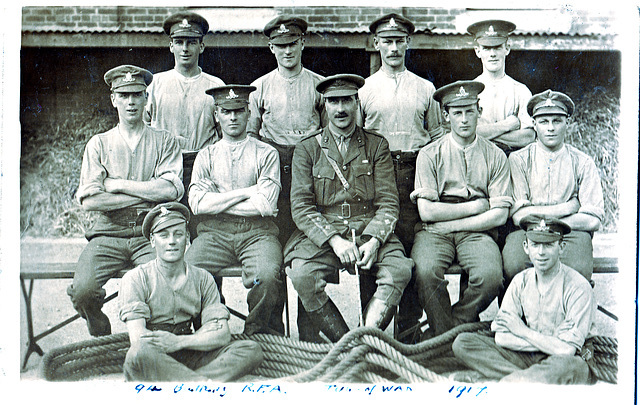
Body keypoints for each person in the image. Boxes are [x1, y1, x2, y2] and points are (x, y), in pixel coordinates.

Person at [284, 74, 413, 342]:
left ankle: (367, 335)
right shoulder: (308, 149)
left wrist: (376, 240)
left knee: (399, 270)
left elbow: (389, 202)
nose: (340, 108)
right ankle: (348, 342)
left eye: (346, 100)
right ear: (325, 105)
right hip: (325, 231)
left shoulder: (376, 145)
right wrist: (334, 241)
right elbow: (301, 206)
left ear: (357, 103)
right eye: (333, 101)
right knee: (302, 274)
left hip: (368, 227)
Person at [68, 65, 184, 337]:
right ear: (114, 100)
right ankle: (100, 329)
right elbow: (90, 200)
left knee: (167, 284)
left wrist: (119, 185)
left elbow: (170, 190)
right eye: (124, 95)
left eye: (137, 95)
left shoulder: (164, 140)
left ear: (147, 99)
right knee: (83, 291)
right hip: (108, 232)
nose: (131, 102)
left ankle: (158, 339)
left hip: (151, 231)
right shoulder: (99, 143)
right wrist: (146, 192)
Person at [358, 13, 444, 342]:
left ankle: (407, 334)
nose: (393, 48)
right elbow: (359, 137)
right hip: (377, 171)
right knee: (374, 246)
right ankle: (372, 334)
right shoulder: (364, 90)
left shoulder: (425, 88)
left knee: (408, 249)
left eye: (399, 41)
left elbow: (436, 138)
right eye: (386, 41)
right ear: (376, 44)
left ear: (407, 43)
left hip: (414, 170)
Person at [410, 80, 513, 338]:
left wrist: (454, 223)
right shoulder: (430, 154)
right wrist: (477, 206)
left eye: (470, 111)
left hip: (477, 231)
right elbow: (427, 212)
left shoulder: (495, 154)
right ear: (446, 116)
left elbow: (499, 214)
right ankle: (447, 336)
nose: (464, 119)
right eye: (457, 113)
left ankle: (452, 328)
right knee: (424, 271)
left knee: (490, 276)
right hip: (435, 231)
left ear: (479, 111)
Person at [247, 15, 326, 341]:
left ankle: (309, 334)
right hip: (274, 170)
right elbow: (251, 137)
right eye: (280, 45)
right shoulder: (260, 87)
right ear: (271, 48)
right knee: (273, 252)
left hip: (309, 169)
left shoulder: (319, 84)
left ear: (302, 43)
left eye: (292, 44)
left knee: (306, 250)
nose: (287, 50)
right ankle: (272, 333)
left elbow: (329, 136)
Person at [120, 202, 263, 382]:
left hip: (189, 349)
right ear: (152, 240)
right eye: (163, 235)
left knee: (251, 350)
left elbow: (222, 334)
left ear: (187, 237)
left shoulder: (203, 278)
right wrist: (198, 338)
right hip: (155, 356)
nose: (172, 241)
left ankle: (187, 385)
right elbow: (139, 339)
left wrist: (179, 342)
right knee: (138, 353)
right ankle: (201, 386)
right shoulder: (136, 278)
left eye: (178, 234)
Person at [185, 84, 286, 336]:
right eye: (226, 111)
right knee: (189, 270)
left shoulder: (266, 153)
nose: (232, 117)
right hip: (213, 233)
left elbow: (265, 205)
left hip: (257, 233)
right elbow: (197, 204)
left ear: (248, 112)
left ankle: (258, 335)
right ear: (216, 115)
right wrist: (247, 191)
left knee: (267, 275)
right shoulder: (206, 155)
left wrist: (217, 198)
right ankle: (213, 329)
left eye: (238, 111)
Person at [452, 215, 596, 384]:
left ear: (561, 247)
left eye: (549, 245)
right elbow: (501, 337)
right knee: (463, 343)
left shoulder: (578, 287)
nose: (541, 252)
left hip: (567, 360)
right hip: (530, 355)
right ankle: (525, 380)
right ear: (526, 247)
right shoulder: (521, 281)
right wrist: (550, 343)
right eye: (535, 245)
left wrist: (522, 331)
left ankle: (505, 381)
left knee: (570, 367)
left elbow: (567, 350)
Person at [502, 90, 604, 283]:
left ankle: (569, 312)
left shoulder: (582, 162)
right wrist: (568, 208)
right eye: (543, 121)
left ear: (568, 122)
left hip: (571, 233)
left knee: (578, 271)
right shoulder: (519, 160)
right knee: (513, 264)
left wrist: (538, 213)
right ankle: (521, 312)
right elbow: (518, 216)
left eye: (557, 121)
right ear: (534, 124)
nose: (550, 128)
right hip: (528, 231)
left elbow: (593, 220)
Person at [144, 11, 225, 226]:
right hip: (164, 166)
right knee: (168, 225)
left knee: (203, 226)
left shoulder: (215, 86)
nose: (185, 48)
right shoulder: (155, 85)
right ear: (171, 46)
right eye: (179, 42)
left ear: (202, 46)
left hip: (203, 164)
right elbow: (144, 130)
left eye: (191, 42)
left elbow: (223, 133)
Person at [467, 20, 535, 155]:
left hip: (511, 161)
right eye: (486, 48)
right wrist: (507, 125)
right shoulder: (469, 91)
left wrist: (484, 133)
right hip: (478, 160)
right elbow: (465, 134)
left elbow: (528, 137)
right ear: (477, 51)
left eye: (497, 47)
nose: (492, 54)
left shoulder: (520, 91)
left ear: (507, 49)